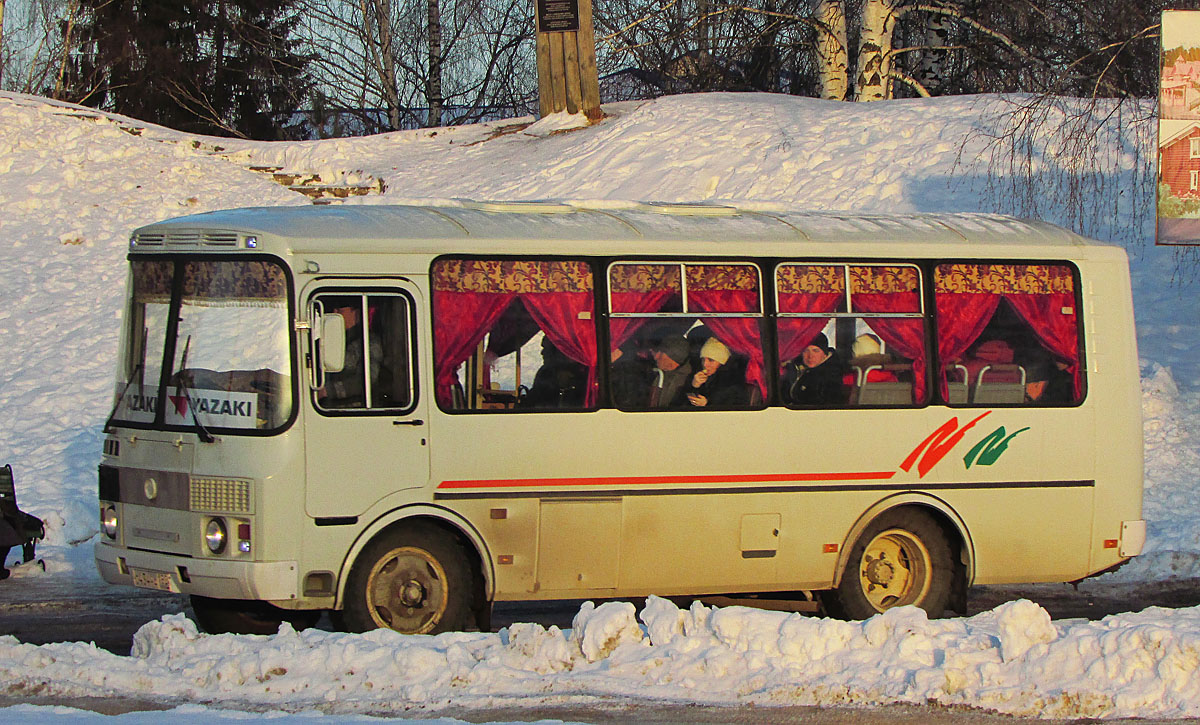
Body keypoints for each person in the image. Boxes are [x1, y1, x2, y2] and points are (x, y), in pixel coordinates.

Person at [320, 298, 383, 408]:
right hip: (328, 408)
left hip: (355, 410)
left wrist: (327, 391)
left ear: (355, 313)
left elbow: (368, 379)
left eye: (341, 311)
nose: (335, 314)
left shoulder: (368, 342)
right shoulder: (327, 340)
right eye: (334, 311)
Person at [782, 332, 847, 405]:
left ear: (825, 354)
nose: (810, 356)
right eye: (806, 351)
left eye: (816, 351)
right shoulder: (795, 368)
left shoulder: (831, 375)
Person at [522, 338, 587, 408]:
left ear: (557, 351)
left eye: (546, 349)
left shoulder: (582, 375)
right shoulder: (544, 373)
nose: (542, 352)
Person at [686, 337, 749, 408]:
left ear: (722, 362)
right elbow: (681, 403)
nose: (705, 364)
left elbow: (734, 408)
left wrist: (708, 404)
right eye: (703, 359)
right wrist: (694, 386)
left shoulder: (733, 381)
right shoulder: (699, 374)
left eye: (711, 360)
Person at [648, 336, 693, 408]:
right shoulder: (659, 374)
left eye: (661, 353)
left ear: (671, 361)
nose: (656, 357)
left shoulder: (683, 383)